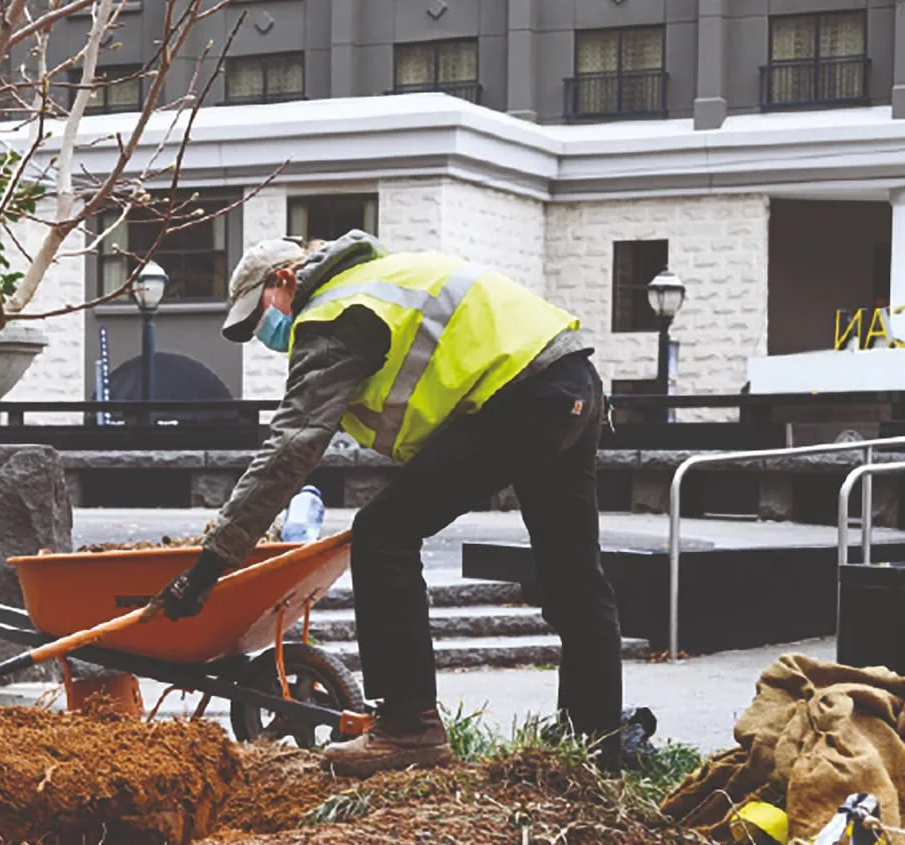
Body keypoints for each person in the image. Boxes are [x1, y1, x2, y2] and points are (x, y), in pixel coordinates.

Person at [155, 231, 622, 776]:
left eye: (263, 317)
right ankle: (595, 753)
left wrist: (212, 562)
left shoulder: (331, 311)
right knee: (576, 579)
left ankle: (409, 728)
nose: (268, 335)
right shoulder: (384, 277)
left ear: (284, 281)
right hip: (572, 383)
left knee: (382, 535)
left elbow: (291, 447)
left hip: (520, 399)